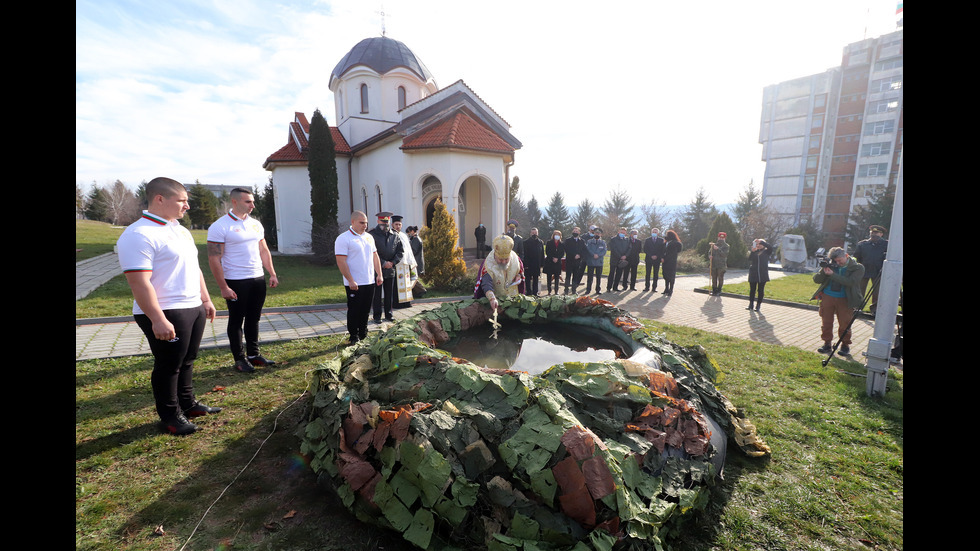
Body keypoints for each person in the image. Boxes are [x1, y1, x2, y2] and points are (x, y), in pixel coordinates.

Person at [116, 177, 219, 436]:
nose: (187, 206)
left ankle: (189, 404)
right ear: (160, 199)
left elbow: (193, 268)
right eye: (182, 200)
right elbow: (139, 282)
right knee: (168, 365)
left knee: (188, 360)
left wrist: (205, 299)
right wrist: (157, 318)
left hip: (192, 306)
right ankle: (170, 416)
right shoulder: (138, 234)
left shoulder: (180, 230)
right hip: (166, 310)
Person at [206, 187, 279, 373]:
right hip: (235, 280)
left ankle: (254, 355)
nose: (253, 205)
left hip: (257, 278)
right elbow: (214, 258)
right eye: (248, 202)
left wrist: (271, 273)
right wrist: (223, 287)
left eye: (253, 201)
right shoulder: (220, 226)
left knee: (254, 318)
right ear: (235, 202)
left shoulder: (256, 224)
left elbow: (263, 250)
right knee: (237, 320)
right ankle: (239, 359)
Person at [335, 211, 384, 345]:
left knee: (366, 309)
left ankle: (363, 334)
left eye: (366, 222)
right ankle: (353, 336)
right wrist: (350, 279)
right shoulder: (343, 238)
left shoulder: (369, 237)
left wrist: (379, 274)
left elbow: (375, 256)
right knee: (354, 309)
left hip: (369, 280)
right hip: (354, 282)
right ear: (353, 222)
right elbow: (341, 261)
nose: (365, 225)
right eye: (362, 223)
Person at [812, 247, 865, 356]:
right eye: (835, 261)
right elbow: (816, 280)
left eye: (840, 260)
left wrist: (832, 275)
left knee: (845, 324)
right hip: (828, 296)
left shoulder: (858, 267)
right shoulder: (831, 264)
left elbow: (851, 282)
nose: (838, 263)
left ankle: (845, 345)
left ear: (846, 256)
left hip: (845, 299)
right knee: (826, 322)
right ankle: (827, 343)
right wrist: (824, 270)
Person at [474, 234, 526, 310]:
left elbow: (519, 271)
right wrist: (492, 299)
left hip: (513, 300)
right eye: (501, 260)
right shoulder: (488, 264)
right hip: (496, 302)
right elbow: (486, 283)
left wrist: (518, 276)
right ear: (495, 254)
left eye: (506, 259)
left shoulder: (516, 259)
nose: (504, 262)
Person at [368, 212, 403, 323]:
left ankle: (389, 314)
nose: (385, 224)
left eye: (387, 222)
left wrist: (392, 262)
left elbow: (400, 251)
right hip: (377, 270)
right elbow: (370, 253)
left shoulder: (395, 235)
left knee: (389, 293)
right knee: (377, 294)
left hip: (390, 269)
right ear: (378, 221)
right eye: (383, 222)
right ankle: (377, 316)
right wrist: (383, 263)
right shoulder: (372, 235)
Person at [853, 225, 888, 315]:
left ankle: (874, 309)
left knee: (877, 291)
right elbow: (857, 256)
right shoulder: (862, 244)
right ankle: (858, 307)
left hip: (878, 271)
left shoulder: (886, 245)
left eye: (876, 233)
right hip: (864, 270)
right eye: (872, 233)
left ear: (881, 234)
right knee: (860, 289)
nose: (874, 235)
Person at [390, 215, 418, 309]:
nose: (398, 226)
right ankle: (397, 304)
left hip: (406, 263)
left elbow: (408, 249)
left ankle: (406, 302)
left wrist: (412, 261)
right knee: (397, 285)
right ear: (392, 224)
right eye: (396, 224)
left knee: (406, 283)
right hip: (397, 264)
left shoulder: (403, 235)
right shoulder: (391, 235)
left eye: (399, 224)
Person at [746, 238, 774, 312]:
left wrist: (761, 241)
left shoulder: (766, 251)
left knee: (760, 290)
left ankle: (758, 305)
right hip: (753, 273)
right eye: (757, 244)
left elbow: (770, 247)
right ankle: (751, 304)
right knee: (752, 290)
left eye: (760, 244)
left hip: (762, 274)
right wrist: (752, 252)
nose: (758, 245)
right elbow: (750, 259)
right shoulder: (755, 251)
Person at [563, 227, 586, 294]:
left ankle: (574, 290)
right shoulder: (568, 240)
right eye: (574, 231)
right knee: (568, 276)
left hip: (578, 261)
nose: (575, 232)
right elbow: (567, 249)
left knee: (575, 276)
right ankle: (566, 290)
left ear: (579, 232)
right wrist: (574, 255)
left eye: (577, 231)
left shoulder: (582, 241)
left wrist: (580, 255)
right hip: (569, 261)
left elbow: (584, 250)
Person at [584, 227, 607, 294]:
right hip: (591, 261)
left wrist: (598, 255)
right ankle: (588, 290)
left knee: (598, 277)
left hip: (599, 262)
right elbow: (588, 249)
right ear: (594, 233)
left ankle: (598, 290)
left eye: (599, 233)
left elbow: (604, 251)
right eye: (596, 233)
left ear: (601, 235)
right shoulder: (589, 241)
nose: (597, 234)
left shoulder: (603, 242)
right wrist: (593, 254)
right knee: (590, 277)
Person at [643, 228, 666, 292]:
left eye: (655, 232)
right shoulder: (647, 240)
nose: (654, 233)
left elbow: (662, 250)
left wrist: (657, 256)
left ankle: (654, 287)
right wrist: (651, 255)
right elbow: (645, 249)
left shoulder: (661, 240)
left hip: (657, 259)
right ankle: (647, 287)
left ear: (658, 233)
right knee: (648, 273)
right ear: (651, 232)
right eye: (653, 232)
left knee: (656, 274)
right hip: (649, 259)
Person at [607, 228, 630, 292]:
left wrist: (625, 256)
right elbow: (613, 249)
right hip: (614, 259)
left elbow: (629, 248)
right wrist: (620, 256)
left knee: (619, 274)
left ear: (625, 233)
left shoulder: (627, 240)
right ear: (618, 232)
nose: (622, 233)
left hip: (622, 260)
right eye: (621, 232)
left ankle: (615, 287)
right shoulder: (613, 239)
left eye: (624, 232)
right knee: (612, 273)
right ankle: (609, 287)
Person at [523, 227, 545, 296]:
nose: (534, 234)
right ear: (530, 233)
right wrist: (525, 265)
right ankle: (528, 292)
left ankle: (535, 293)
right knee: (528, 280)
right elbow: (524, 254)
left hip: (537, 264)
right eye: (533, 233)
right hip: (528, 264)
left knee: (536, 279)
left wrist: (542, 264)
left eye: (535, 233)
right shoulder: (525, 242)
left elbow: (542, 254)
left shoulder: (540, 242)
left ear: (537, 233)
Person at [661, 230, 683, 296]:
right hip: (665, 262)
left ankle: (671, 290)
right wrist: (662, 258)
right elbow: (662, 251)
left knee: (671, 276)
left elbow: (678, 250)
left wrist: (668, 257)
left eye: (667, 234)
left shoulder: (676, 243)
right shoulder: (665, 243)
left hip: (671, 262)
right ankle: (666, 289)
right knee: (665, 275)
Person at [544, 229, 565, 294]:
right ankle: (549, 290)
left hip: (558, 262)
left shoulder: (562, 244)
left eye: (558, 235)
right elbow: (547, 251)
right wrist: (553, 258)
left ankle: (556, 291)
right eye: (556, 234)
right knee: (549, 277)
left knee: (557, 277)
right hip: (550, 261)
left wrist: (557, 258)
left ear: (560, 236)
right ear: (553, 235)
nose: (557, 236)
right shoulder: (549, 242)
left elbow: (562, 253)